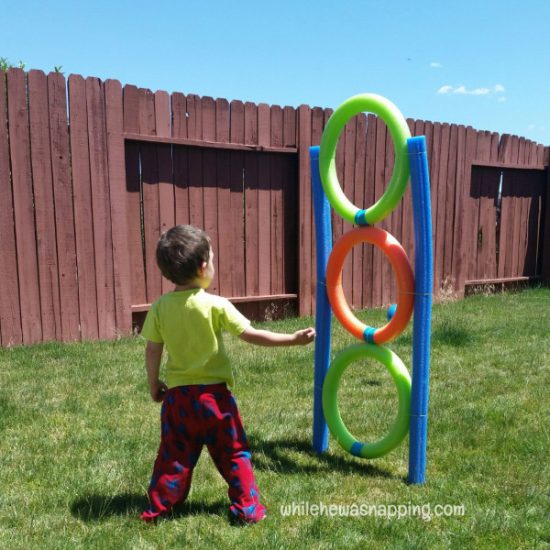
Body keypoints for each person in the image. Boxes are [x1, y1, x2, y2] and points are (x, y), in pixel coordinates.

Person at [140, 225, 315, 524]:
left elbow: (153, 350)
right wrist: (294, 339)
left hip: (179, 401)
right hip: (215, 401)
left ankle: (159, 509)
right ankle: (247, 509)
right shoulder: (215, 304)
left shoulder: (159, 308)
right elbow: (253, 335)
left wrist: (154, 383)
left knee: (173, 457)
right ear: (203, 266)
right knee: (234, 454)